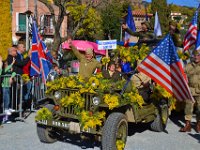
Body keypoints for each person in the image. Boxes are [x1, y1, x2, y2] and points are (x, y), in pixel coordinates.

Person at [179, 50, 200, 133]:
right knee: (188, 108)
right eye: (195, 55)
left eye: (198, 55)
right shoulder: (188, 66)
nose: (196, 57)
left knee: (199, 108)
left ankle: (198, 125)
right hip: (190, 90)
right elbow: (182, 75)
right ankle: (188, 125)